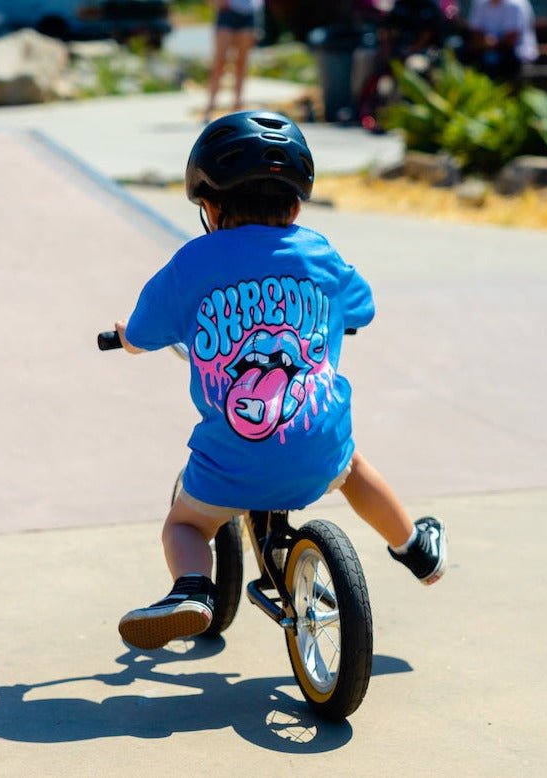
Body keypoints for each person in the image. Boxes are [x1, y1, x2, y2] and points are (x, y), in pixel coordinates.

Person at [112, 111, 448, 650]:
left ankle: (191, 589)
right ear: (295, 204)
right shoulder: (318, 251)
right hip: (318, 449)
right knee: (354, 468)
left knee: (185, 524)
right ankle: (416, 549)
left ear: (209, 206)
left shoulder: (192, 262)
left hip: (231, 463)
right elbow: (361, 309)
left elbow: (146, 330)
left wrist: (128, 337)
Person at [204, 0, 264, 122]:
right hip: (227, 13)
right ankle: (210, 107)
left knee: (241, 64)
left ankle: (237, 108)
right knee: (219, 63)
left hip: (248, 13)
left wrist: (259, 22)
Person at [463, 0, 538, 80]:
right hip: (487, 51)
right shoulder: (480, 3)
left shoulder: (516, 4)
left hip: (516, 53)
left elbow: (511, 39)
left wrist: (490, 43)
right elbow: (475, 32)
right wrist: (485, 42)